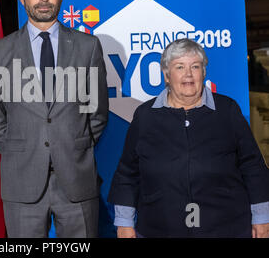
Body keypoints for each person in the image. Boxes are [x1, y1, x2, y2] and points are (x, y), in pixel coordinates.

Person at [0, 0, 108, 237]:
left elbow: (97, 114)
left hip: (77, 180)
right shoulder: (0, 51)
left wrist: (72, 147)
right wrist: (24, 150)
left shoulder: (88, 47)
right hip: (22, 182)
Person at [108, 38, 269, 238]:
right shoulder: (145, 116)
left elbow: (252, 166)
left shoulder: (227, 110)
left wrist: (262, 218)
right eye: (179, 67)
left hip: (227, 227)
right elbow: (127, 172)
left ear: (204, 72)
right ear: (167, 75)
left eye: (195, 66)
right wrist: (124, 223)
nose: (188, 75)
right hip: (160, 228)